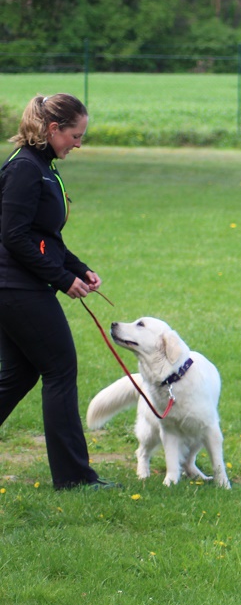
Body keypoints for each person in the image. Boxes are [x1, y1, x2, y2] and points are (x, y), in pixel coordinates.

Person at [0, 93, 120, 490]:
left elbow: (43, 236)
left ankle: (73, 476)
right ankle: (74, 478)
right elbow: (14, 237)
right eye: (75, 134)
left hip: (21, 285)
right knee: (60, 369)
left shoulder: (41, 166)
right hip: (16, 288)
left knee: (19, 375)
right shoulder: (25, 170)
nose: (79, 143)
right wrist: (62, 279)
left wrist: (78, 268)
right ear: (53, 129)